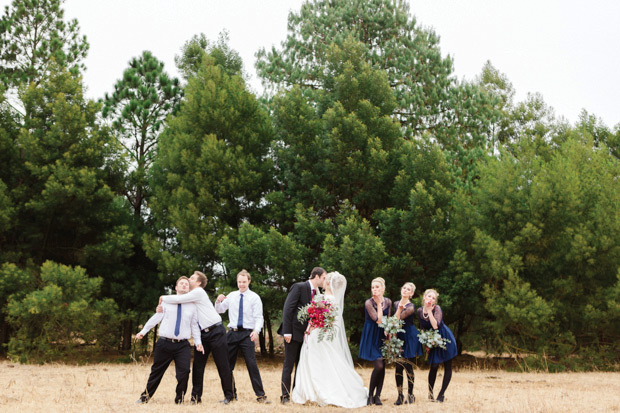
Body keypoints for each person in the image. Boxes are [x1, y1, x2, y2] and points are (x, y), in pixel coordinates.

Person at [291, 271, 367, 408]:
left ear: (328, 283)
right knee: (325, 361)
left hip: (319, 334)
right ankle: (314, 390)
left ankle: (316, 391)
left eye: (326, 279)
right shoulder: (330, 298)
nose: (324, 281)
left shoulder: (327, 298)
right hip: (321, 334)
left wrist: (312, 327)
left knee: (318, 361)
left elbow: (324, 319)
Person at [159, 271, 235, 404]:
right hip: (203, 335)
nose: (189, 279)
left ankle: (230, 395)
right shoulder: (190, 296)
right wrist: (160, 308)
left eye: (192, 278)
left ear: (199, 283)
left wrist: (163, 297)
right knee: (198, 366)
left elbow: (178, 299)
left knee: (222, 364)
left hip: (216, 331)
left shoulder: (198, 292)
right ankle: (195, 397)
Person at [135, 276, 204, 404]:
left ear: (189, 289)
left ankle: (179, 399)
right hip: (164, 344)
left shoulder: (192, 306)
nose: (184, 285)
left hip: (182, 345)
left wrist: (198, 342)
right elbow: (156, 318)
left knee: (184, 372)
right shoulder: (166, 302)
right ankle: (145, 397)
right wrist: (143, 332)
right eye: (181, 283)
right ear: (176, 287)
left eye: (186, 284)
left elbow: (194, 326)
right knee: (156, 372)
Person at [215, 269, 269, 404]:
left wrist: (256, 331)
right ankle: (230, 395)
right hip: (232, 333)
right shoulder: (232, 295)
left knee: (251, 364)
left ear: (249, 281)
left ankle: (261, 395)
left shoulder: (254, 297)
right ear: (237, 282)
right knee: (227, 366)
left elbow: (259, 317)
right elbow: (219, 310)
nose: (241, 284)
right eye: (239, 282)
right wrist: (218, 301)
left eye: (244, 282)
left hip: (247, 334)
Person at [278, 266, 326, 404]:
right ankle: (285, 396)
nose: (324, 281)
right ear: (316, 276)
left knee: (300, 366)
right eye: (323, 278)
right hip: (292, 333)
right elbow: (288, 309)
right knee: (289, 365)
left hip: (306, 336)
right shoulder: (299, 287)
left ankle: (295, 394)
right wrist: (287, 331)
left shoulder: (317, 293)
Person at [417, 288, 457, 403]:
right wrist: (426, 341)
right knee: (434, 366)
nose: (431, 299)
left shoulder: (437, 309)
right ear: (424, 297)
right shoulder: (419, 311)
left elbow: (436, 326)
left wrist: (430, 311)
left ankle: (441, 394)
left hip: (444, 338)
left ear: (435, 302)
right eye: (429, 296)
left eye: (433, 298)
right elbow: (422, 327)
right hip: (432, 339)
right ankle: (430, 393)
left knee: (447, 366)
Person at [358, 277, 392, 406]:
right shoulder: (369, 303)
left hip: (382, 335)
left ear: (383, 288)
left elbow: (387, 319)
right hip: (371, 334)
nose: (375, 290)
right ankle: (370, 395)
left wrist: (388, 330)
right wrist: (378, 304)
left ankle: (378, 396)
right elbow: (377, 319)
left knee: (383, 366)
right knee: (378, 366)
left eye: (377, 287)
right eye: (373, 287)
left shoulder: (388, 301)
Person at [393, 282, 423, 405]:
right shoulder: (395, 303)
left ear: (411, 293)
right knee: (398, 366)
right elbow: (392, 321)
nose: (405, 290)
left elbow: (398, 318)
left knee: (408, 365)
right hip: (398, 336)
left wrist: (399, 310)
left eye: (408, 289)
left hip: (409, 336)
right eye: (404, 288)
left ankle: (411, 394)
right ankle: (400, 395)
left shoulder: (411, 306)